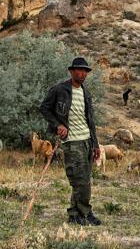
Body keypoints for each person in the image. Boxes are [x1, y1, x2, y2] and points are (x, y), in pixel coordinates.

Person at [40, 57, 102, 226]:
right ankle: (86, 213)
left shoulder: (86, 93)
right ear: (71, 71)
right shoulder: (60, 90)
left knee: (84, 178)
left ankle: (74, 215)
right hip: (72, 142)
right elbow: (44, 108)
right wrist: (58, 124)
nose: (82, 74)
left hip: (87, 140)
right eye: (79, 70)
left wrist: (95, 144)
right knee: (80, 180)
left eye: (85, 71)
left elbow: (91, 121)